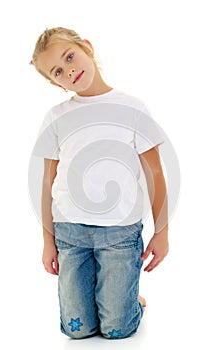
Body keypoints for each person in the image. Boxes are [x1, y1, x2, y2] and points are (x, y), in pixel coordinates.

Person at [30, 27, 169, 340]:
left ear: (87, 48)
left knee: (117, 330)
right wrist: (47, 239)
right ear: (55, 82)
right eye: (58, 71)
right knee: (77, 331)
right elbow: (47, 181)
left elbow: (155, 173)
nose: (70, 70)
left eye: (70, 56)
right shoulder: (57, 116)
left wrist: (162, 232)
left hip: (119, 233)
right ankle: (104, 297)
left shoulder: (133, 107)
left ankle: (131, 302)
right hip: (70, 232)